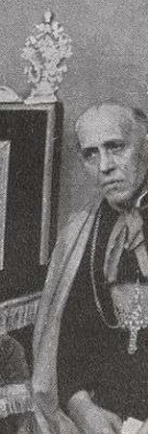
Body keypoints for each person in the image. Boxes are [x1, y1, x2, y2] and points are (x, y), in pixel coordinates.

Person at [33, 103, 148, 434]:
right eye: (91, 154)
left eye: (116, 147)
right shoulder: (80, 232)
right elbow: (66, 341)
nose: (105, 166)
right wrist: (80, 406)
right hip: (102, 418)